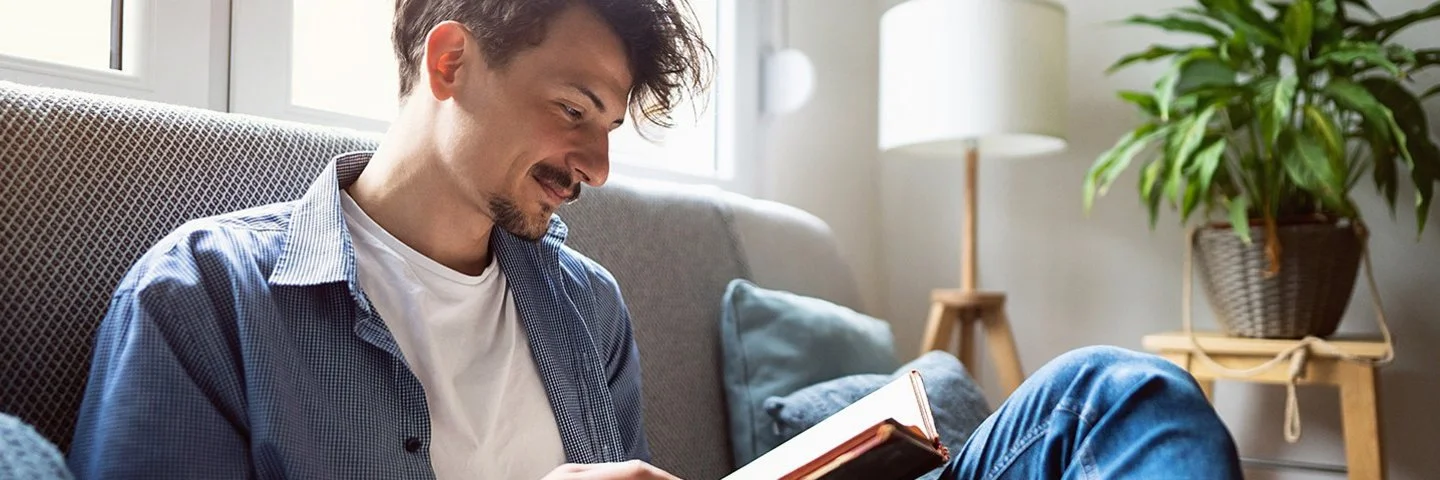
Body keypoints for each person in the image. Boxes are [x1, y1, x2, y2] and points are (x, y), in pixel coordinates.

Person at [66, 0, 1243, 478]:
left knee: (1116, 399)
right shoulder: (203, 298)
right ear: (450, 59)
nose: (597, 167)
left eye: (611, 128)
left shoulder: (585, 308)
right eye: (575, 111)